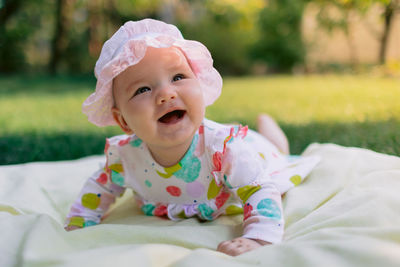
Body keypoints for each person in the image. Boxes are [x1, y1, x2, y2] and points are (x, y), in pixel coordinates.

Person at [65, 18, 319, 256]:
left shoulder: (224, 149)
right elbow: (99, 188)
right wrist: (80, 221)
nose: (166, 93)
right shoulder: (124, 157)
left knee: (277, 151)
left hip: (255, 153)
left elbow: (258, 187)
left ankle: (270, 132)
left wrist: (259, 237)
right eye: (143, 89)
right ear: (122, 121)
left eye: (178, 77)